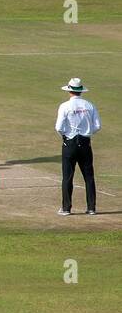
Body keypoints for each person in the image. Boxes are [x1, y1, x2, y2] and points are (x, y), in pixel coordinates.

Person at [55, 78, 101, 216]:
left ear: (69, 91)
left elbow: (58, 127)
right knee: (89, 176)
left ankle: (66, 208)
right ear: (80, 91)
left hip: (70, 142)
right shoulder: (89, 105)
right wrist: (86, 133)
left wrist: (66, 135)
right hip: (85, 143)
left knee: (67, 177)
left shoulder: (65, 106)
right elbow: (97, 126)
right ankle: (91, 208)